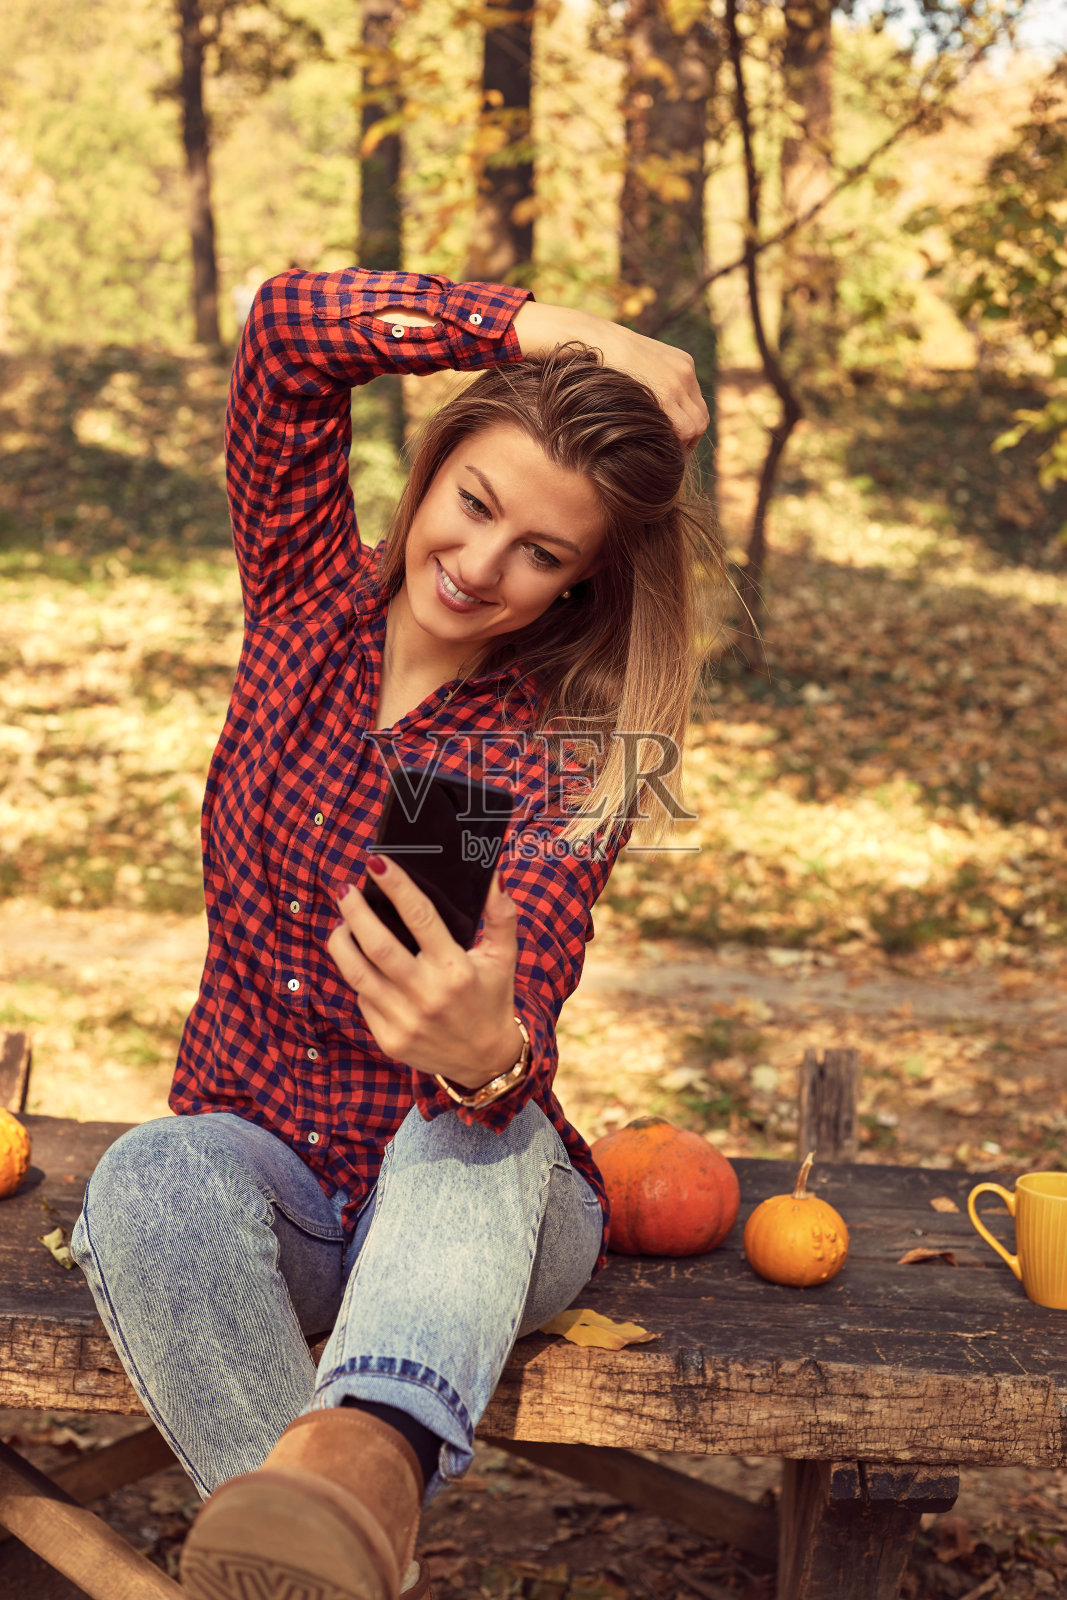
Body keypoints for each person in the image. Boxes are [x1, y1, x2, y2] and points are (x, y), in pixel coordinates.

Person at [70, 265, 719, 1600]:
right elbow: (289, 337)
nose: (480, 568)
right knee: (149, 1177)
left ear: (579, 587)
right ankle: (342, 1545)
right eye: (475, 504)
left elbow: (520, 947)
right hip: (277, 1192)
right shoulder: (309, 608)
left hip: (476, 1203)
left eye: (541, 553)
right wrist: (558, 330)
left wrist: (486, 1053)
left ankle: (367, 1461)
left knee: (457, 1137)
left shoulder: (537, 745)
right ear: (430, 474)